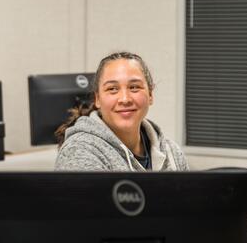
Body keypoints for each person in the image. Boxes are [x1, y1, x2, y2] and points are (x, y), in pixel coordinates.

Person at [55, 51, 189, 171]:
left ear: (150, 95)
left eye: (134, 87)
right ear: (98, 99)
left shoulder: (172, 152)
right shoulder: (79, 152)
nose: (125, 99)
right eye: (112, 89)